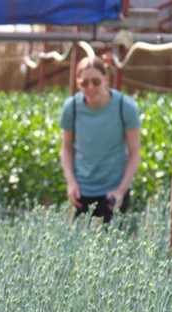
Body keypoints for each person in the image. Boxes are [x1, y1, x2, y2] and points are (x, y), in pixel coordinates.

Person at [59, 56, 141, 223]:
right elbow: (66, 148)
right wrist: (71, 183)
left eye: (96, 82)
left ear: (106, 79)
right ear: (78, 83)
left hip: (113, 193)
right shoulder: (72, 107)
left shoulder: (125, 107)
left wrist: (121, 190)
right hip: (81, 191)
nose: (90, 87)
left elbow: (134, 154)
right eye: (84, 83)